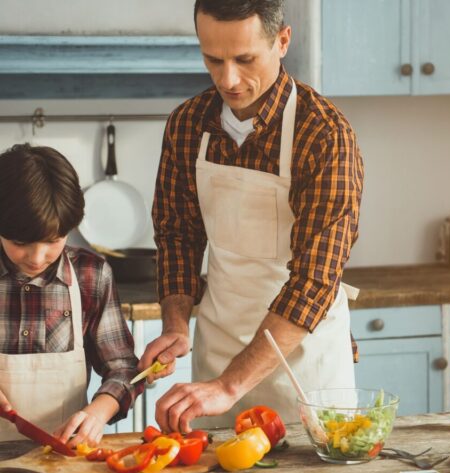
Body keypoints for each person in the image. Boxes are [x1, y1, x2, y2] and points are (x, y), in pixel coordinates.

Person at [139, 0, 364, 431]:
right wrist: (175, 324)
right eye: (213, 59)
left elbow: (313, 280)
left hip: (306, 370)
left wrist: (229, 385)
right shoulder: (188, 124)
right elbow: (177, 237)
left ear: (282, 42)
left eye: (245, 60)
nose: (229, 79)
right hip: (217, 353)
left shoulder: (324, 135)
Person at [0, 143, 144, 446]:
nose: (37, 258)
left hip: (62, 461)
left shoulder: (91, 275)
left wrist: (98, 413)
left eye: (53, 241)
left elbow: (122, 368)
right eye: (19, 242)